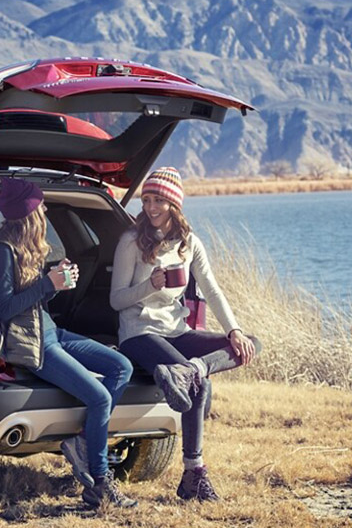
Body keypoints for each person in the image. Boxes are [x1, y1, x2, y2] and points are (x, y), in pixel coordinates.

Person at [0, 178, 137, 509]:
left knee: (120, 366)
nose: (46, 208)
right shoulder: (1, 251)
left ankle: (82, 441)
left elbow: (36, 301)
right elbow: (6, 309)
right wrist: (47, 283)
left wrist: (57, 283)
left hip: (53, 332)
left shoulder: (27, 248)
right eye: (41, 204)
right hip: (35, 345)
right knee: (97, 398)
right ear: (29, 211)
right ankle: (99, 483)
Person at [111, 167, 260, 502]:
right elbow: (116, 299)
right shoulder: (131, 242)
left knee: (251, 342)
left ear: (174, 205)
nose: (151, 207)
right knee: (199, 385)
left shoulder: (189, 243)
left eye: (159, 201)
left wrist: (233, 330)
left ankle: (192, 368)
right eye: (147, 199)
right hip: (138, 333)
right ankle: (194, 475)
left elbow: (213, 289)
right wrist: (150, 285)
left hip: (176, 331)